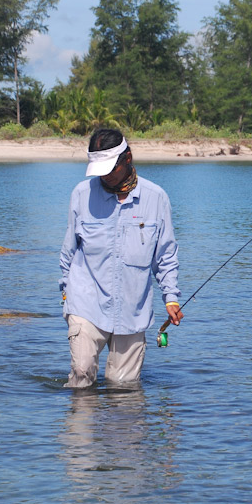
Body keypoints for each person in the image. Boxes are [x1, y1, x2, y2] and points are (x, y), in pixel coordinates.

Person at [59, 128, 183, 388]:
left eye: (110, 169)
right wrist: (65, 295)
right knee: (81, 374)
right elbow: (68, 252)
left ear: (127, 158)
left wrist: (170, 297)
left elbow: (165, 255)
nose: (104, 175)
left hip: (133, 310)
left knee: (123, 388)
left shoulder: (156, 198)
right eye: (99, 169)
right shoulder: (81, 194)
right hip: (85, 303)